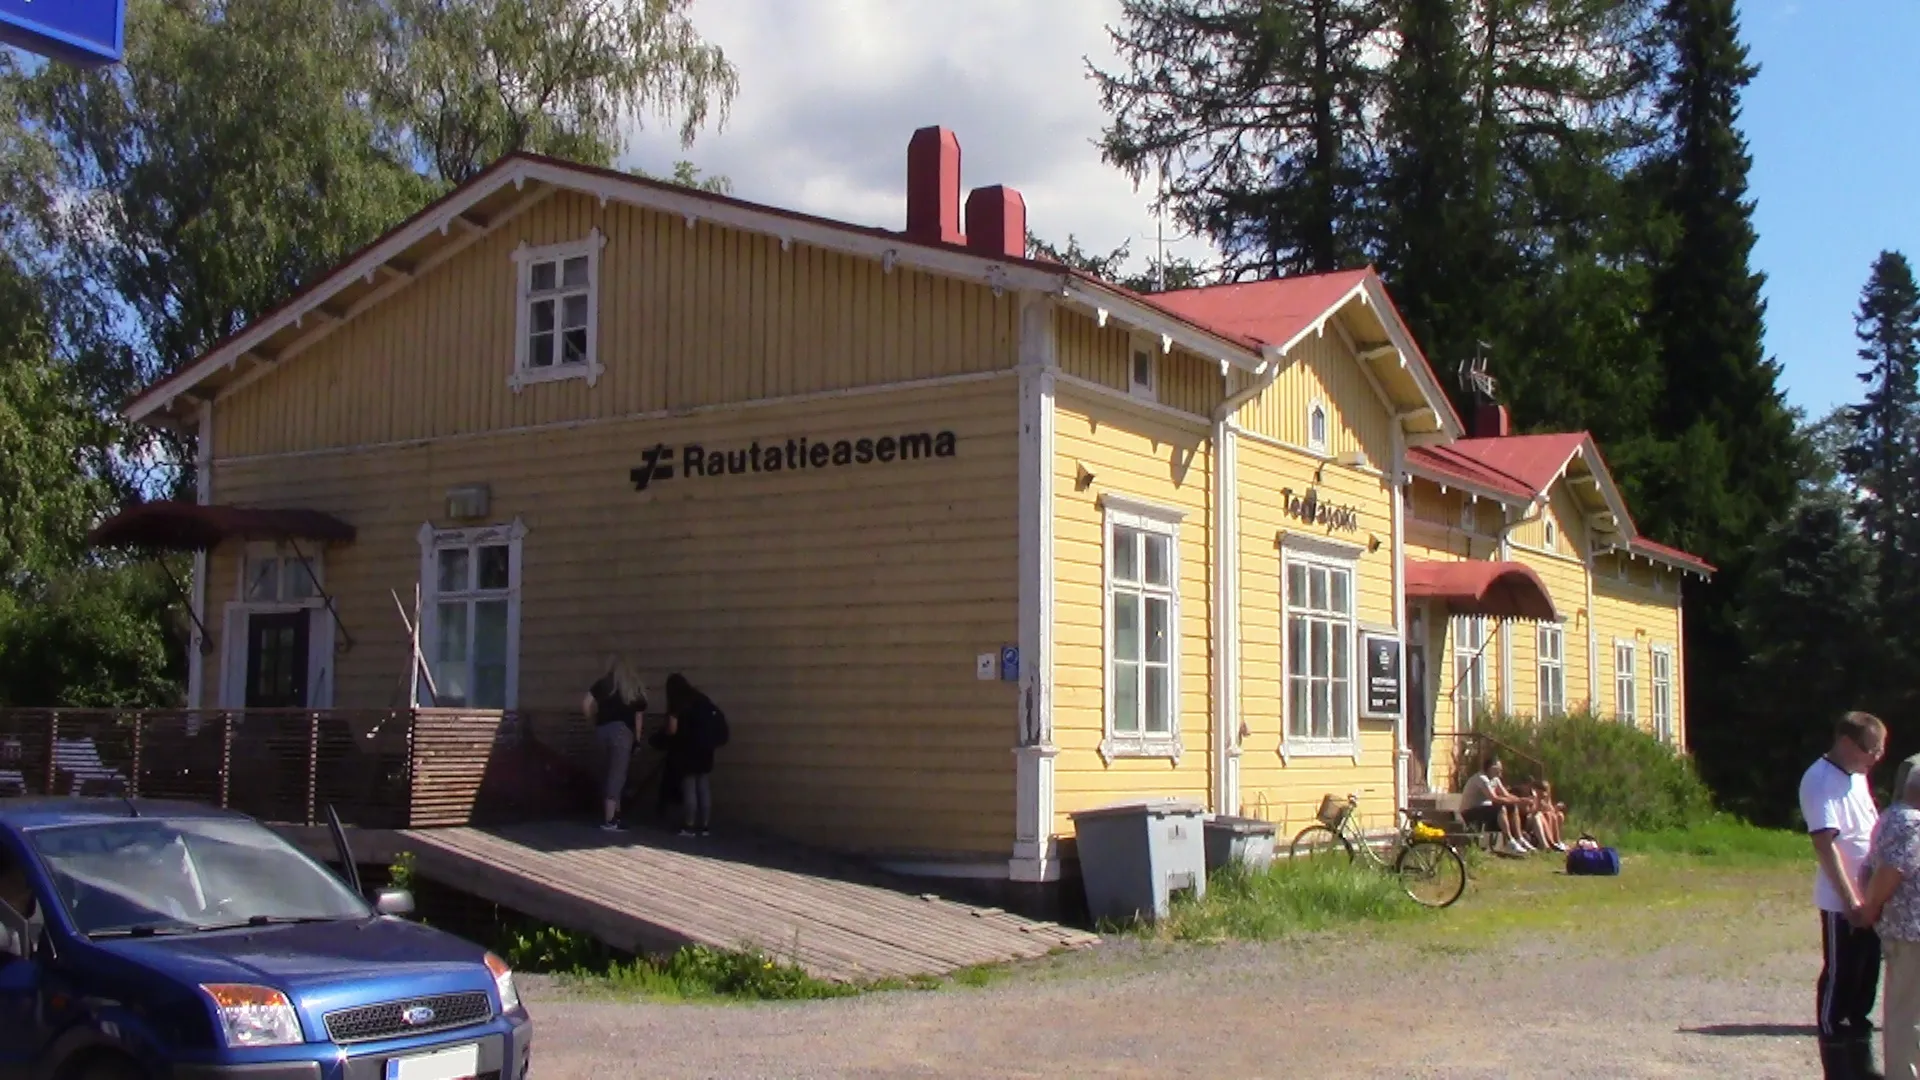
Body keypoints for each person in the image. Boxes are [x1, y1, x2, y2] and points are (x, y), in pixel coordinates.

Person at [1801, 710, 1888, 1077]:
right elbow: (1826, 844)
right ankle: (1837, 1064)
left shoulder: (1856, 778)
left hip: (1870, 900)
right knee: (1842, 977)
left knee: (1866, 980)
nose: (1877, 758)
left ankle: (1861, 1063)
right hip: (1844, 903)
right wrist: (1851, 899)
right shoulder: (1820, 780)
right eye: (1872, 749)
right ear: (1847, 743)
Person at [1864, 766, 1920, 1080]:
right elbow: (1889, 872)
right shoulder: (1910, 823)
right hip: (1912, 933)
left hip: (1909, 931)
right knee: (1907, 1015)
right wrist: (1870, 906)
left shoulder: (1895, 816)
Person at [583, 657, 647, 833]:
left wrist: (593, 720)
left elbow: (586, 704)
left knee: (606, 771)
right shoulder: (633, 687)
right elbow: (638, 717)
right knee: (617, 774)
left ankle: (615, 815)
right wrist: (637, 740)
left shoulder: (603, 683)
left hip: (602, 730)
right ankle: (610, 820)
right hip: (622, 732)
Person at [663, 673, 726, 838]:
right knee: (703, 785)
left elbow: (672, 730)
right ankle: (705, 825)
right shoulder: (701, 699)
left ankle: (689, 825)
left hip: (687, 749)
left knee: (690, 786)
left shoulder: (678, 703)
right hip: (706, 749)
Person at [1461, 757, 1532, 855]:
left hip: (1485, 810)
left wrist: (1519, 800)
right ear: (1491, 768)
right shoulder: (1481, 778)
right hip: (1470, 811)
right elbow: (1494, 798)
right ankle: (1509, 841)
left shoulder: (1495, 779)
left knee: (1513, 807)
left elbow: (1506, 794)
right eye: (1498, 768)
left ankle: (1519, 838)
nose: (1501, 771)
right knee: (1501, 808)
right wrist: (1519, 801)